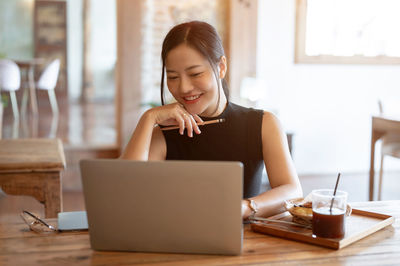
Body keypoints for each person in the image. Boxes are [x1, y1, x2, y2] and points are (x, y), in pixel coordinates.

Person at [120, 21, 302, 220]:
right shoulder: (164, 133)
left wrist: (245, 207)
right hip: (176, 238)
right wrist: (149, 117)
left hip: (244, 242)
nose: (184, 88)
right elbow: (126, 192)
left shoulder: (262, 123)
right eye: (172, 77)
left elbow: (292, 191)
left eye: (195, 74)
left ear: (221, 67)